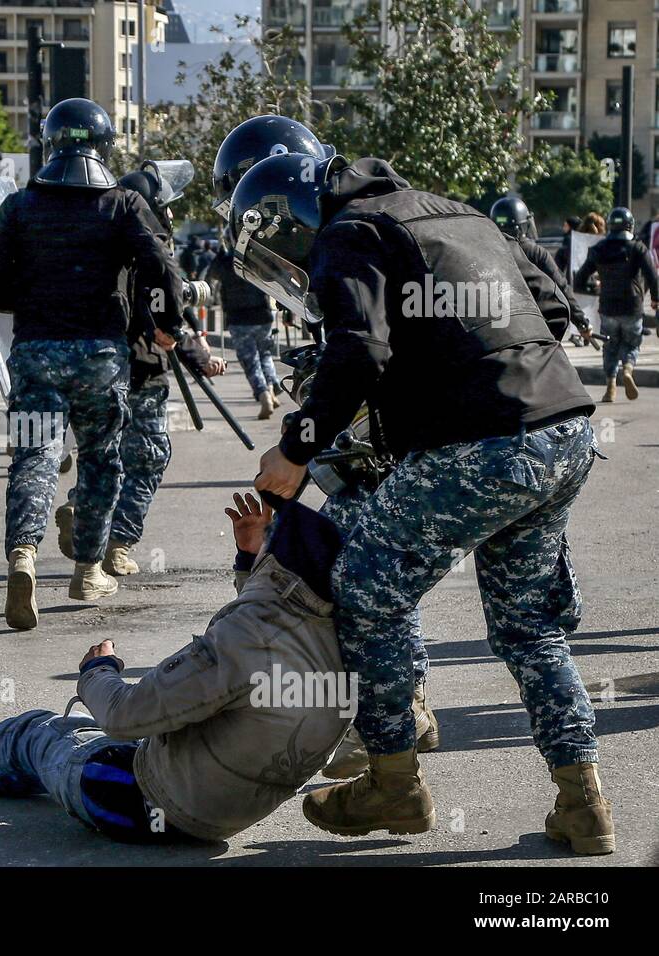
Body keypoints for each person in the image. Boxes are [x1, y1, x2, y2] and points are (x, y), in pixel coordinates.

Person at [236, 148, 612, 854]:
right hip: (564, 429)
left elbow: (357, 352)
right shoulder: (459, 213)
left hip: (485, 445)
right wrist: (464, 377)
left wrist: (294, 449)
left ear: (294, 216)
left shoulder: (351, 232)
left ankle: (395, 782)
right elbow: (553, 307)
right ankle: (583, 801)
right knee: (530, 628)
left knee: (363, 589)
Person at [0, 493, 350, 845]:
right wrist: (249, 558)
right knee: (71, 738)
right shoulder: (337, 644)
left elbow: (125, 716)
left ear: (281, 568)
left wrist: (97, 671)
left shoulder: (242, 642)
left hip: (136, 799)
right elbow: (271, 628)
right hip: (221, 814)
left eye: (272, 542)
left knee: (34, 733)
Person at [0, 98, 183, 630]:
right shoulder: (123, 203)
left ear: (50, 142)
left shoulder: (21, 206)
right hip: (101, 355)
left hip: (37, 348)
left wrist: (26, 295)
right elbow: (162, 264)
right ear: (105, 146)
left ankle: (23, 554)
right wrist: (168, 322)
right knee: (101, 458)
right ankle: (88, 569)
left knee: (34, 456)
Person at [56, 160, 224, 576]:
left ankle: (81, 502)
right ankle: (119, 544)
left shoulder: (99, 247)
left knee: (105, 453)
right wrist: (201, 358)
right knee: (149, 457)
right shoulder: (149, 250)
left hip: (97, 370)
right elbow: (166, 318)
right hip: (142, 372)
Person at [573, 206, 658, 403]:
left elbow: (579, 280)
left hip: (608, 306)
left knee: (610, 347)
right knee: (631, 343)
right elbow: (652, 276)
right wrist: (655, 299)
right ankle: (627, 369)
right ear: (630, 225)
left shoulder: (599, 249)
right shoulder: (637, 247)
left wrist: (594, 289)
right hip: (633, 305)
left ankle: (610, 387)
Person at [491, 196, 594, 346]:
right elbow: (560, 286)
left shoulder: (486, 250)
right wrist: (581, 322)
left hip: (496, 329)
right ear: (523, 224)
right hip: (532, 328)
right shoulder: (536, 253)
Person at [208, 246, 283, 419]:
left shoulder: (226, 261)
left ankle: (263, 394)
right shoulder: (255, 257)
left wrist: (219, 256)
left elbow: (213, 274)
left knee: (250, 360)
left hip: (239, 318)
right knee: (264, 354)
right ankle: (271, 388)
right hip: (262, 315)